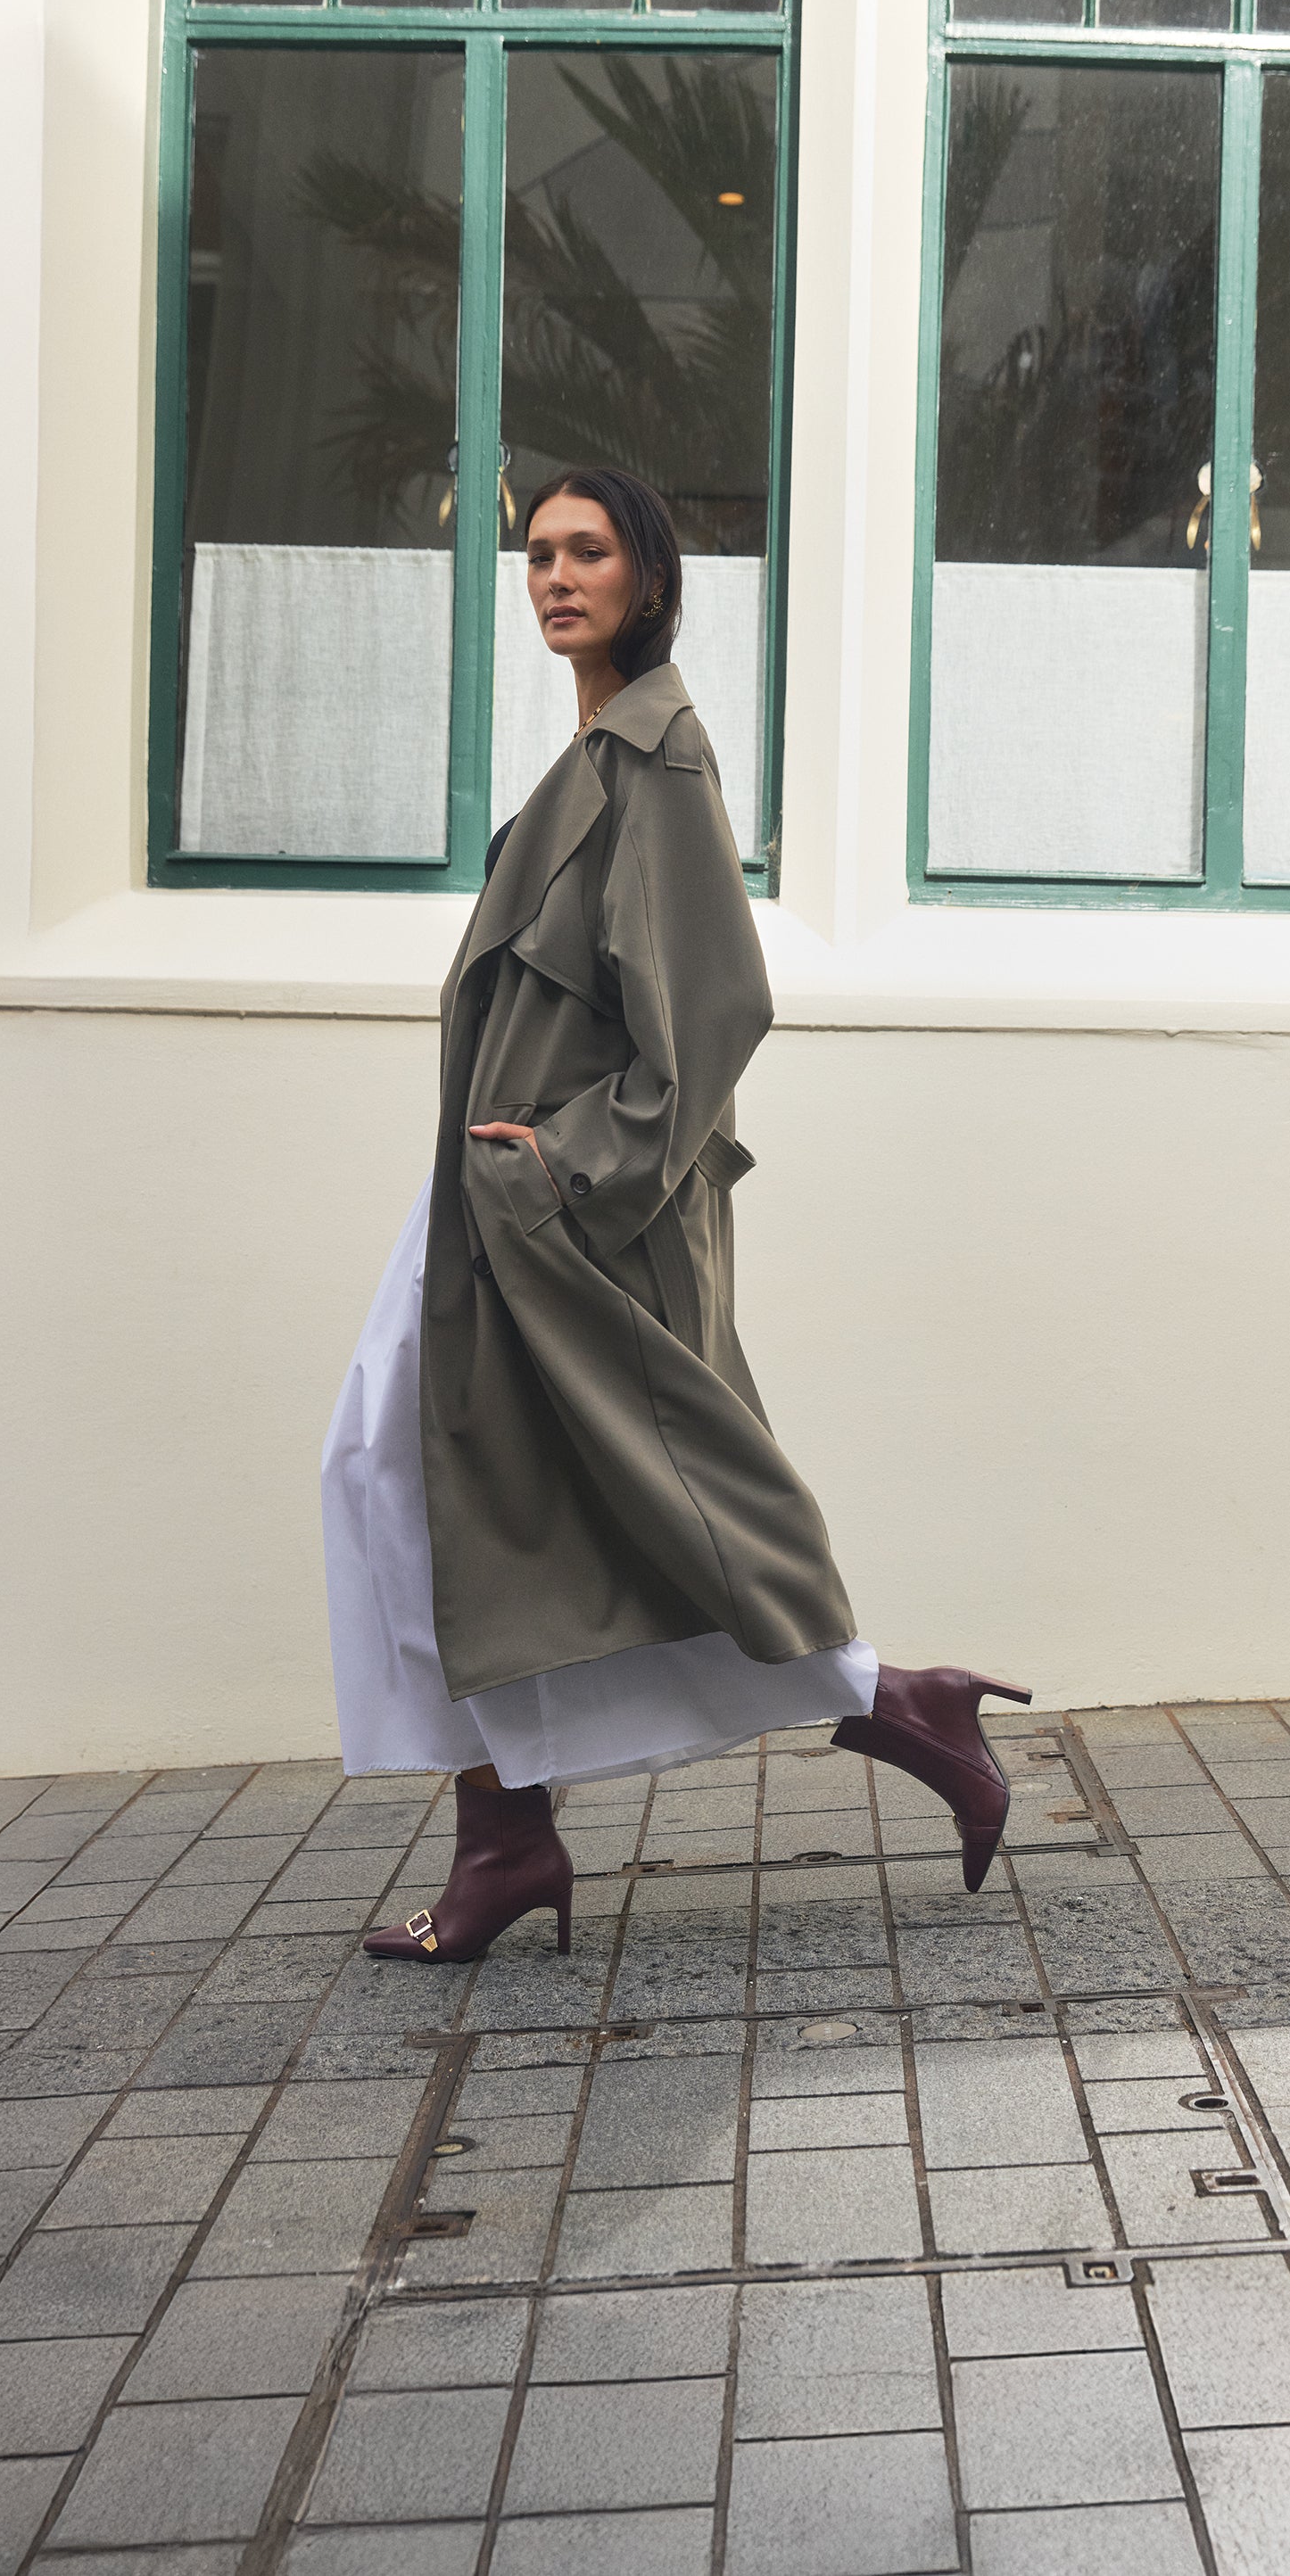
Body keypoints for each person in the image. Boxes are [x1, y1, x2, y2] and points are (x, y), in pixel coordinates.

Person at [323, 467, 1028, 1963]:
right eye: (538, 555)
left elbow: (714, 1015)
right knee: (436, 1480)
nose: (556, 577)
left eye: (588, 552)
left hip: (569, 1204)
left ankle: (895, 1706)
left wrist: (568, 1166)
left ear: (648, 576)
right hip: (500, 1196)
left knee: (560, 1488)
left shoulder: (660, 760)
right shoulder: (584, 760)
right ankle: (513, 1838)